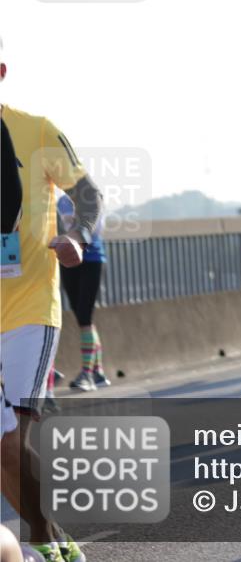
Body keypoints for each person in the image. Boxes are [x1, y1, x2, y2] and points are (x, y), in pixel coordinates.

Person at [2, 35, 100, 562]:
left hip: (30, 307)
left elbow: (88, 194)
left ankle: (42, 544)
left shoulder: (36, 130)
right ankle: (55, 540)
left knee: (13, 437)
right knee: (3, 450)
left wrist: (77, 238)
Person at [55, 193, 111, 391]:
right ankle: (98, 371)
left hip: (93, 259)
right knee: (82, 318)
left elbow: (93, 230)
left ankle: (87, 374)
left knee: (85, 317)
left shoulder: (93, 196)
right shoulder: (61, 201)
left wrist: (73, 225)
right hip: (69, 260)